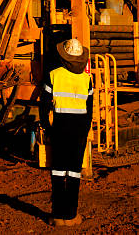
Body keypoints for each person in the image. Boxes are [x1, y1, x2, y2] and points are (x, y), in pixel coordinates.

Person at [39, 38, 93, 227]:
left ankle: (58, 216)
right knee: (74, 173)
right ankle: (71, 216)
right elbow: (90, 109)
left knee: (58, 171)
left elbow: (44, 105)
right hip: (79, 130)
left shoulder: (54, 75)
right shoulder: (87, 79)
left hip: (59, 128)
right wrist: (85, 130)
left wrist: (46, 128)